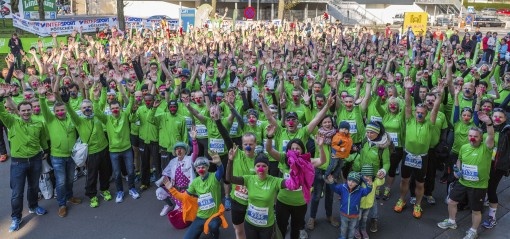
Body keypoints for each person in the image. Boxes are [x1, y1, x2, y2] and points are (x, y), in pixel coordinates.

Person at [226, 144, 306, 239]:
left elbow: (294, 184)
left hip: (267, 226)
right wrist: (230, 161)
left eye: (264, 166)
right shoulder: (248, 179)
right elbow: (229, 178)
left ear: (268, 168)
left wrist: (297, 167)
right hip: (250, 223)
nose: (261, 169)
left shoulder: (275, 181)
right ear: (255, 167)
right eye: (258, 166)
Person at [0, 84, 49, 232]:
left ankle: (33, 206)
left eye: (29, 110)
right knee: (17, 192)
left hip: (35, 160)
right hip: (18, 163)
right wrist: (1, 97)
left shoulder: (39, 123)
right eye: (23, 111)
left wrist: (45, 150)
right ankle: (16, 217)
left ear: (32, 111)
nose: (26, 112)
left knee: (34, 187)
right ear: (19, 112)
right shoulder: (12, 122)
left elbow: (42, 139)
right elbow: (2, 112)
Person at [437, 112, 494, 239]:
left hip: (478, 186)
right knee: (451, 201)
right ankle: (451, 221)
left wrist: (488, 123)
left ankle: (473, 231)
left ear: (481, 138)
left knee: (475, 210)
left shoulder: (486, 148)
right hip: (463, 182)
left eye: (475, 136)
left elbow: (490, 135)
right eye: (470, 135)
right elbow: (459, 161)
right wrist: (457, 170)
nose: (472, 138)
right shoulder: (464, 147)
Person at [37, 86, 81, 217]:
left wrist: (67, 103)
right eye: (58, 110)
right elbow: (44, 109)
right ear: (54, 112)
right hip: (57, 156)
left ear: (66, 110)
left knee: (70, 179)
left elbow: (73, 113)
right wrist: (41, 97)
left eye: (63, 110)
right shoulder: (50, 120)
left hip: (71, 156)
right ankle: (62, 204)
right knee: (61, 181)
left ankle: (70, 196)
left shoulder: (71, 119)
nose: (60, 112)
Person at [170, 154, 228, 239]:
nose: (201, 170)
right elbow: (183, 197)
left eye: (203, 167)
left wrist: (219, 164)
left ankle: (215, 235)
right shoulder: (195, 182)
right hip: (201, 216)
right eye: (198, 168)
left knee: (213, 225)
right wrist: (171, 188)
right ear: (196, 169)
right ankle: (197, 232)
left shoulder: (214, 177)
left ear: (208, 167)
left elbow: (221, 172)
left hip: (214, 215)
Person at [155, 130, 198, 216]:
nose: (179, 151)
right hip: (175, 189)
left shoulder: (190, 159)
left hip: (186, 191)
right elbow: (165, 173)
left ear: (185, 151)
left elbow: (196, 152)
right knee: (159, 191)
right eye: (177, 149)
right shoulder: (173, 161)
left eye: (181, 149)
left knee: (181, 213)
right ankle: (170, 205)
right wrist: (162, 181)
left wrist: (194, 140)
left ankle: (180, 205)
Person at [326, 171, 372, 239]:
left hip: (354, 215)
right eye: (349, 180)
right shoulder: (342, 187)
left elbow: (367, 191)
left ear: (357, 183)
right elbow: (334, 189)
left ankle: (350, 237)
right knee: (343, 228)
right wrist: (331, 182)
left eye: (353, 181)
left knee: (352, 228)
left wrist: (368, 184)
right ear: (347, 180)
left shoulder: (360, 190)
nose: (350, 183)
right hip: (344, 214)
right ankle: (342, 236)